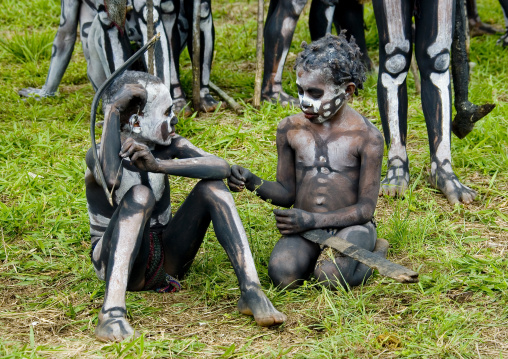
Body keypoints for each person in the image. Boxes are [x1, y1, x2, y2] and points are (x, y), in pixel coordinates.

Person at [86, 71, 286, 342]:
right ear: (135, 121)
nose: (174, 119)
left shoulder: (166, 146)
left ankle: (251, 290)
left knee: (212, 187)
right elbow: (111, 179)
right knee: (140, 195)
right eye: (166, 112)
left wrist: (159, 165)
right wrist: (112, 111)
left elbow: (220, 167)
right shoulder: (100, 155)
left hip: (167, 259)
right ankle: (112, 312)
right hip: (119, 265)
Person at [229, 33, 388, 290]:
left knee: (329, 278)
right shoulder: (290, 129)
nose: (304, 101)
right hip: (306, 228)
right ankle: (329, 256)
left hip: (352, 226)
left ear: (347, 91)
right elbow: (285, 192)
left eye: (315, 93)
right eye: (300, 90)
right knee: (282, 275)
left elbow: (365, 210)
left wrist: (311, 220)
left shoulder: (367, 137)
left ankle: (374, 255)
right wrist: (252, 181)